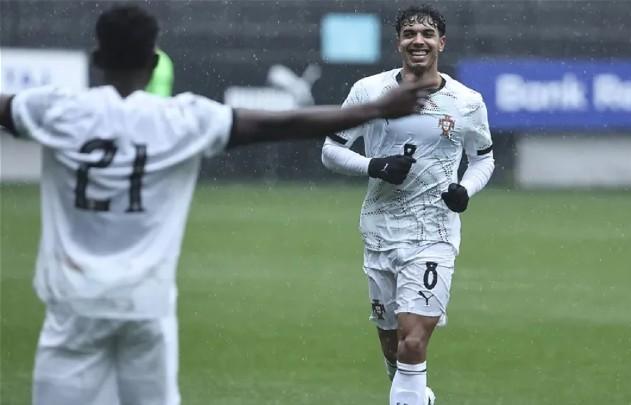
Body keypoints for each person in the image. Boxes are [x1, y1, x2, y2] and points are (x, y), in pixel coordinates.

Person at [0, 5, 433, 405]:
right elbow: (279, 123)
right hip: (144, 308)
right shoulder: (181, 119)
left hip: (72, 307)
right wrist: (373, 110)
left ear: (96, 58)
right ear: (154, 61)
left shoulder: (57, 110)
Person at [321, 5, 495, 405]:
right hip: (380, 230)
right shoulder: (369, 91)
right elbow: (330, 149)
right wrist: (375, 165)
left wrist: (465, 189)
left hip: (434, 233)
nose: (419, 40)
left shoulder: (466, 102)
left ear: (441, 43)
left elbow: (484, 158)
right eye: (410, 33)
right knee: (393, 346)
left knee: (413, 341)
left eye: (427, 34)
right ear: (398, 42)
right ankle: (418, 396)